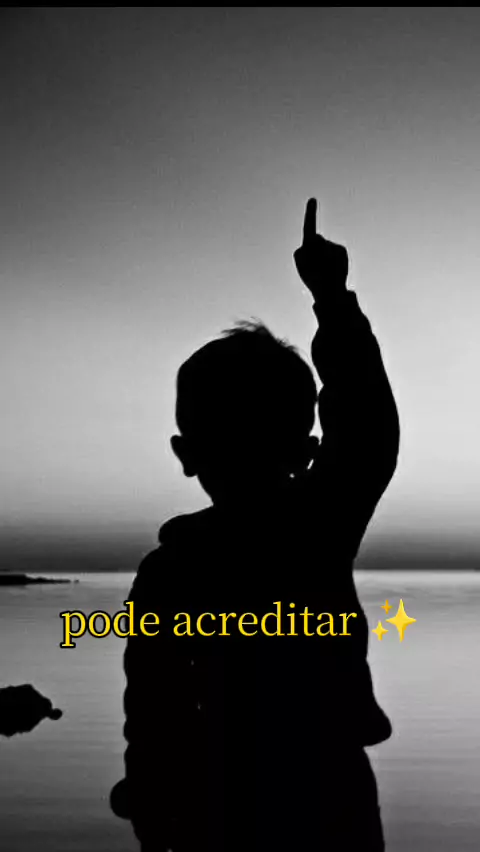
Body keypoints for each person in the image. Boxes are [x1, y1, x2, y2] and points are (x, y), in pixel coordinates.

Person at [111, 198, 400, 851]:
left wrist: (150, 804)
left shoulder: (173, 568)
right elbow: (366, 430)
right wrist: (332, 299)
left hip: (239, 807)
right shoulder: (315, 526)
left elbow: (149, 707)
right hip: (303, 802)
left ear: (185, 454)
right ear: (306, 451)